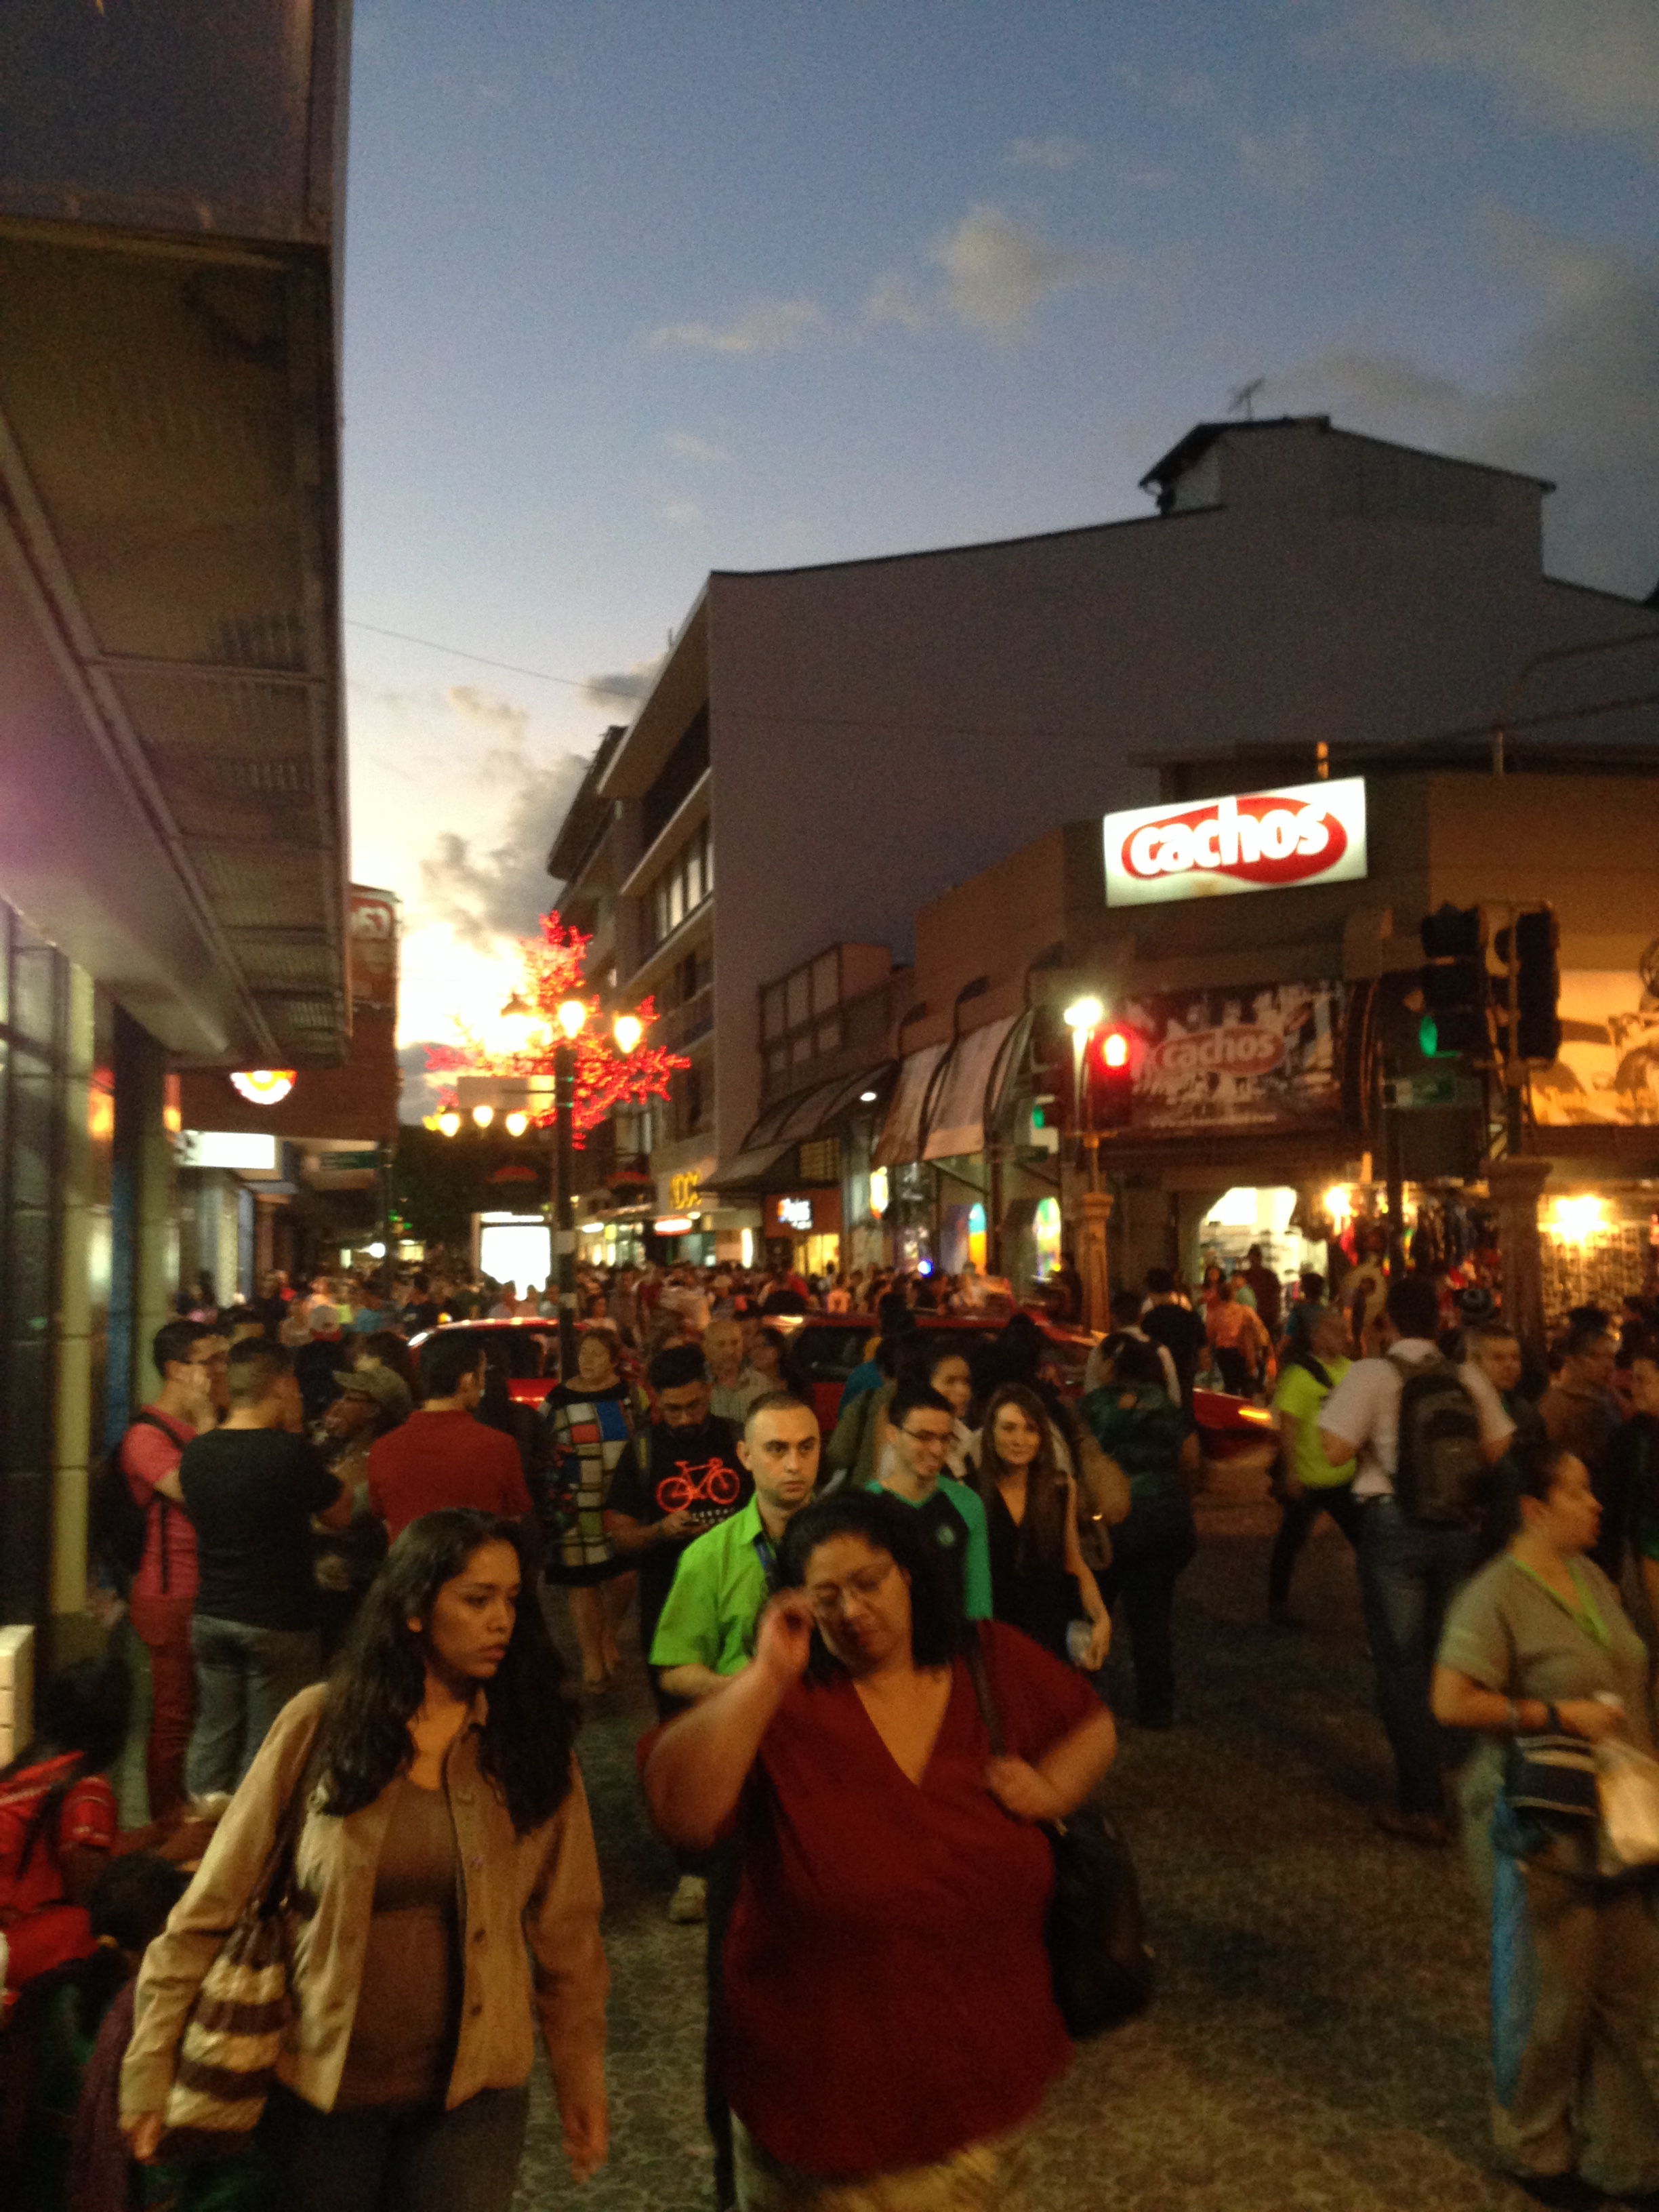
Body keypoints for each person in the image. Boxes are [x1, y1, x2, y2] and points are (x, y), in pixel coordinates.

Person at [644, 1488, 1117, 2208]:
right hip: (825, 2112)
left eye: (868, 1583)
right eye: (827, 1597)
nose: (853, 1612)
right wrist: (765, 1675)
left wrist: (1052, 1791)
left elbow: (1091, 1726)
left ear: (910, 1573)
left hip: (982, 2099)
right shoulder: (786, 1702)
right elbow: (681, 1811)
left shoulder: (988, 1661)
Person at [121, 1512, 609, 2206]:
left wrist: (581, 2079)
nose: (502, 1619)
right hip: (322, 2094)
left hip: (472, 2102)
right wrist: (148, 2065)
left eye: (511, 1599)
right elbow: (209, 1906)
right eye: (476, 1600)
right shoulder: (321, 1724)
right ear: (414, 1609)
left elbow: (570, 1934)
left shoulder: (530, 1745)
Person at [1432, 1439, 1659, 2205]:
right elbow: (1450, 1701)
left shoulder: (1592, 1578)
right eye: (1578, 1493)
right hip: (1539, 1821)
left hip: (1621, 1819)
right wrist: (1555, 1715)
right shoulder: (1494, 1596)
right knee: (1551, 1999)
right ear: (1534, 1509)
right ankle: (1535, 2147)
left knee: (1625, 1993)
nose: (1597, 1505)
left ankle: (1626, 2155)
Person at [651, 1391, 822, 2207]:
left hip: (828, 1788)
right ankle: (736, 2179)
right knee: (740, 1988)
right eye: (777, 1450)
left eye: (806, 1447)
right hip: (744, 1792)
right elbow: (674, 1669)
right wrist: (753, 1688)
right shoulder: (710, 1557)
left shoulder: (844, 1547)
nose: (794, 1465)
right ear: (745, 1458)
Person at [1318, 1273, 1513, 1844]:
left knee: (1401, 1665)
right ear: (1439, 1319)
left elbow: (1333, 1450)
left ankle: (1423, 1803)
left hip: (1394, 1526)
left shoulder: (1371, 1374)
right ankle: (1464, 1775)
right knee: (1451, 1652)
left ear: (1387, 1321)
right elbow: (1499, 1445)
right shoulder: (1464, 1375)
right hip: (1458, 1528)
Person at [179, 1343, 350, 1797]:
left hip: (212, 1612)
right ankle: (254, 1833)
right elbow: (340, 1512)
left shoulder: (197, 1453)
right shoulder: (288, 1453)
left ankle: (203, 1823)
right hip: (278, 1617)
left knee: (213, 1733)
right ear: (281, 1385)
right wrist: (295, 1431)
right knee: (269, 1743)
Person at [119, 1320, 227, 1820]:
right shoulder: (146, 1435)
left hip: (216, 1586)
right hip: (172, 1592)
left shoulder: (214, 1422)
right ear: (176, 1370)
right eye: (210, 1361)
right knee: (174, 1716)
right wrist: (206, 1419)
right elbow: (202, 1490)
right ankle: (165, 1821)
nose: (221, 1371)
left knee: (214, 1713)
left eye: (224, 1359)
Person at [605, 1343, 750, 1705]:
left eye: (694, 1406)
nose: (685, 1419)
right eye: (673, 1409)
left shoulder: (739, 1440)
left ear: (709, 1391)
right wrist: (660, 1531)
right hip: (668, 1604)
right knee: (678, 1714)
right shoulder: (642, 1451)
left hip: (739, 1599)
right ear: (656, 1400)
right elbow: (620, 1537)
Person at [1080, 1337, 1201, 1728]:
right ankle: (1156, 1706)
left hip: (1109, 1521)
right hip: (1163, 1517)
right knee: (1152, 1616)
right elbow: (1191, 1458)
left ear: (1113, 1366)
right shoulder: (1167, 1406)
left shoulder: (1093, 1406)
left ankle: (1080, 1697)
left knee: (1092, 1609)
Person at [536, 1330, 651, 1691]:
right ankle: (591, 1657)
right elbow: (540, 1443)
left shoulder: (630, 1395)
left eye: (597, 1354)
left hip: (621, 1500)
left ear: (614, 1360)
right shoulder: (559, 1398)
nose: (587, 1361)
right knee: (582, 1579)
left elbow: (646, 1437)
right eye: (584, 1353)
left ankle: (608, 1634)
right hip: (575, 1501)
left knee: (623, 1575)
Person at [970, 1382, 1109, 1668]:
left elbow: (1074, 1563)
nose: (1019, 1440)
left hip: (1048, 1626)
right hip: (995, 1631)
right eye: (1008, 1428)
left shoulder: (1060, 1488)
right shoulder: (971, 1492)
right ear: (990, 1433)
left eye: (1030, 1429)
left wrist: (1101, 1617)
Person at [367, 1335, 533, 1543]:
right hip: (478, 1561)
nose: (483, 1385)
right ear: (468, 1381)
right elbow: (515, 1516)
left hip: (410, 1562)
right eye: (482, 1375)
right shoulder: (499, 1446)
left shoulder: (382, 1449)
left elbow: (381, 1515)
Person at [1267, 1303, 1362, 1624]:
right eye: (1335, 1332)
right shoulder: (1299, 1376)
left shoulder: (1351, 1371)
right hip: (1309, 1477)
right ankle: (1277, 1603)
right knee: (1290, 1542)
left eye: (1345, 1332)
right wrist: (1291, 1472)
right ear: (1317, 1337)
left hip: (1343, 1474)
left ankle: (1377, 1601)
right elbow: (1288, 1428)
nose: (1344, 1338)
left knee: (1365, 1541)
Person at [868, 1380, 993, 1624]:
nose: (937, 1450)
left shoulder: (967, 1503)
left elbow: (979, 1601)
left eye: (944, 1438)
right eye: (923, 1437)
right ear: (892, 1434)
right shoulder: (866, 1507)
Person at [312, 1366, 404, 1661]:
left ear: (374, 1411)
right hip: (326, 1590)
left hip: (354, 1589)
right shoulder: (340, 1450)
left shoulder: (383, 1459)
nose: (338, 1405)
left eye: (350, 1398)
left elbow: (344, 1517)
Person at [1541, 1315, 1623, 1513]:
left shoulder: (1606, 1396)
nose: (1608, 1365)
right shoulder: (1558, 1404)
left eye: (1611, 1357)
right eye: (1597, 1357)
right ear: (1574, 1360)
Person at [1139, 1267, 1208, 1408]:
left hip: (1158, 1380)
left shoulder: (1149, 1320)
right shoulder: (1191, 1317)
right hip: (1185, 1376)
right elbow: (1204, 1356)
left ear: (1151, 1292)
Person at [1105, 1288, 1180, 1400]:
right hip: (1154, 1409)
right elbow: (1174, 1396)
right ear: (1140, 1316)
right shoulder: (1160, 1350)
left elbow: (1091, 1391)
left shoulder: (1103, 1349)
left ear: (1113, 1317)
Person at [1205, 1276, 1273, 1397]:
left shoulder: (1216, 1313)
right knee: (1245, 1383)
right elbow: (1260, 1329)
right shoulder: (1245, 1311)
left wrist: (1208, 1355)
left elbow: (1209, 1335)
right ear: (1234, 1294)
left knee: (1229, 1385)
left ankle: (1231, 1403)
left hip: (1223, 1354)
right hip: (1242, 1351)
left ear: (1219, 1295)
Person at [703, 1317, 770, 1428]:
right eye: (721, 1344)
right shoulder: (699, 1385)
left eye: (735, 1343)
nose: (729, 1351)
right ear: (706, 1348)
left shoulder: (761, 1383)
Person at [1242, 1243, 1283, 1334]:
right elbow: (1277, 1298)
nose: (1253, 1261)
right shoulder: (1269, 1275)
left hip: (1263, 1317)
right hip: (1260, 1317)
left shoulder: (1268, 1276)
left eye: (1254, 1258)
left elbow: (1276, 1298)